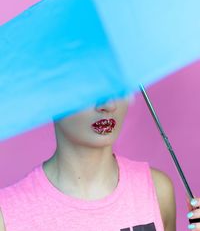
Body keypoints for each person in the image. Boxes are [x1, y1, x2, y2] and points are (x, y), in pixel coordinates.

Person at [0, 94, 195, 231]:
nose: (108, 105)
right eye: (90, 88)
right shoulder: (7, 214)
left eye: (116, 86)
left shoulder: (156, 190)